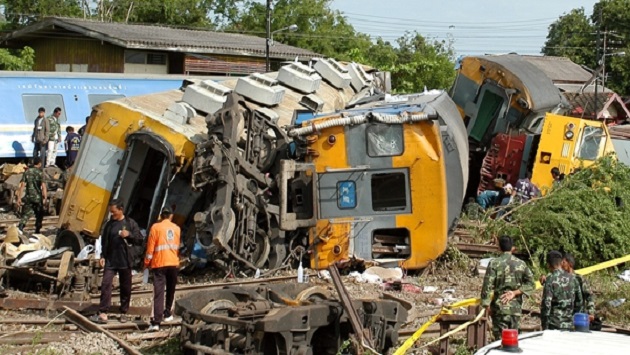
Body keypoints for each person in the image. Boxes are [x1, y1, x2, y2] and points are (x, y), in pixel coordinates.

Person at [93, 199, 143, 324]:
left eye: (114, 212)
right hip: (111, 260)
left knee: (125, 287)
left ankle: (123, 312)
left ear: (121, 210)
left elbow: (139, 240)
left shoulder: (130, 223)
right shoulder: (109, 225)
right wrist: (102, 256)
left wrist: (129, 235)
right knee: (106, 284)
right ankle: (103, 311)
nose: (112, 214)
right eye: (111, 212)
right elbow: (104, 241)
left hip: (125, 260)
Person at [480, 235, 535, 340]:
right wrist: (515, 292)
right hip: (515, 310)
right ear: (512, 248)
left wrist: (486, 305)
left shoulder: (494, 263)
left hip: (499, 308)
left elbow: (487, 286)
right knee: (513, 341)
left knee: (500, 342)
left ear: (499, 247)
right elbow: (531, 284)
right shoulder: (521, 264)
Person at [144, 207, 181, 331]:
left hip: (159, 263)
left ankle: (156, 322)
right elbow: (176, 247)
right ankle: (168, 313)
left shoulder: (155, 227)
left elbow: (150, 248)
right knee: (171, 289)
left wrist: (146, 262)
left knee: (159, 292)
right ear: (171, 216)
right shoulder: (177, 229)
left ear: (161, 215)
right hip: (173, 263)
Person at [540, 250, 582, 330]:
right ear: (561, 262)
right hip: (569, 324)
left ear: (548, 265)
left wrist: (545, 325)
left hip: (554, 324)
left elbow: (546, 305)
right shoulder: (573, 278)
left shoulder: (550, 280)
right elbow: (579, 302)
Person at [16, 158, 47, 234]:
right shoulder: (40, 173)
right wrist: (45, 197)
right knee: (39, 214)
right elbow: (43, 186)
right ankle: (37, 230)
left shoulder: (27, 172)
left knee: (26, 213)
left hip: (29, 197)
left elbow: (22, 185)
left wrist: (19, 198)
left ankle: (21, 227)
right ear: (39, 164)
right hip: (38, 198)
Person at [563, 253, 595, 321]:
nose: (561, 265)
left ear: (569, 264)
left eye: (563, 262)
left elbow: (589, 295)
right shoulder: (561, 279)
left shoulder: (579, 279)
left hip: (578, 316)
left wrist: (590, 312)